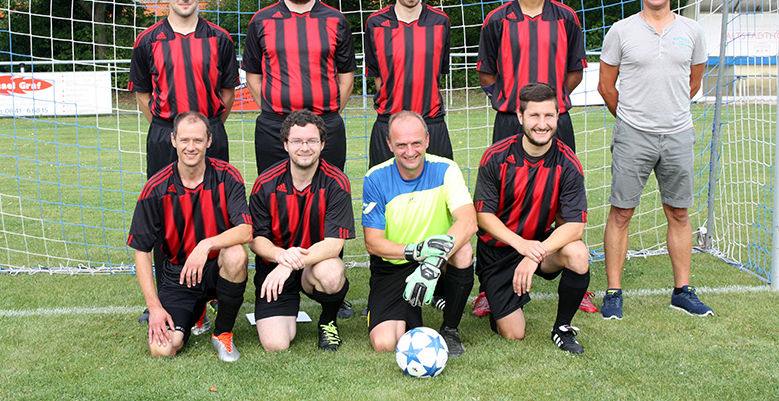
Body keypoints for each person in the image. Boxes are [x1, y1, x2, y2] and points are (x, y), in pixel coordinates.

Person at [597, 0, 712, 319]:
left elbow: (692, 83)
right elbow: (606, 86)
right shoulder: (621, 31)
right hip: (633, 134)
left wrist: (667, 113)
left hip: (678, 134)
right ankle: (613, 292)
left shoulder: (692, 31)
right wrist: (634, 120)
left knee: (679, 212)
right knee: (621, 213)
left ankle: (683, 290)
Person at [128, 0, 240, 327]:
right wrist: (172, 132)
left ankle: (210, 297)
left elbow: (226, 94)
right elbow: (143, 95)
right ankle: (165, 295)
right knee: (165, 216)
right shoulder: (148, 41)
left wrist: (204, 133)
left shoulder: (220, 39)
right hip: (165, 134)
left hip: (209, 132)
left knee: (216, 213)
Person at [473, 82, 590, 354]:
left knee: (578, 253)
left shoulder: (567, 163)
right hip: (499, 251)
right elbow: (483, 215)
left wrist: (533, 253)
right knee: (514, 334)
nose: (542, 123)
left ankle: (562, 328)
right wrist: (521, 245)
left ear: (557, 117)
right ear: (520, 117)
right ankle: (495, 296)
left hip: (538, 246)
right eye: (534, 115)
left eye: (549, 115)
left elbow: (575, 225)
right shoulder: (496, 157)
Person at [126, 111, 252, 361]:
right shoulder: (156, 188)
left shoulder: (227, 176)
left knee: (236, 254)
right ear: (173, 140)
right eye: (184, 140)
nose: (191, 147)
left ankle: (222, 334)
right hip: (178, 277)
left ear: (209, 140)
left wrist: (206, 245)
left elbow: (246, 230)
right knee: (162, 349)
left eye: (197, 140)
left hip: (216, 268)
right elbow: (141, 250)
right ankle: (196, 312)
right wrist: (154, 307)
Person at [362, 110, 477, 357]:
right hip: (395, 263)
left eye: (416, 143)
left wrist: (433, 260)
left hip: (438, 260)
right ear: (389, 144)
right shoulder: (375, 177)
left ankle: (450, 328)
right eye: (401, 144)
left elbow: (469, 222)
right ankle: (416, 304)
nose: (410, 151)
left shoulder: (446, 169)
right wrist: (416, 252)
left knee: (464, 250)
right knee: (384, 343)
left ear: (427, 139)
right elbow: (373, 243)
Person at [242, 0, 356, 174]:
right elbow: (253, 76)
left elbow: (347, 79)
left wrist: (325, 116)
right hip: (274, 128)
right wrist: (273, 110)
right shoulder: (261, 21)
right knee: (273, 198)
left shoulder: (336, 21)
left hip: (326, 126)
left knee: (327, 197)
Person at [249, 110, 355, 352]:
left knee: (331, 272)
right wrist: (280, 259)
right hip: (274, 270)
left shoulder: (336, 182)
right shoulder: (265, 183)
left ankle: (328, 321)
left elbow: (334, 245)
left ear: (322, 144)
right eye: (297, 141)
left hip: (313, 266)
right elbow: (256, 239)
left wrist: (290, 264)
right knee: (276, 345)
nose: (304, 147)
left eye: (311, 141)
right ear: (285, 144)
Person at [476, 0, 587, 148]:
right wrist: (506, 98)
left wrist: (551, 100)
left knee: (559, 179)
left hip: (555, 121)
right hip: (510, 121)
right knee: (509, 180)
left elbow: (575, 71)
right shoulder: (496, 20)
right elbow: (485, 73)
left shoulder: (567, 18)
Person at [364, 0, 453, 168]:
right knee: (385, 199)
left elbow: (437, 74)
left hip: (431, 124)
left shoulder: (440, 22)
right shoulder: (375, 24)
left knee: (439, 197)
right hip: (388, 126)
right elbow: (377, 78)